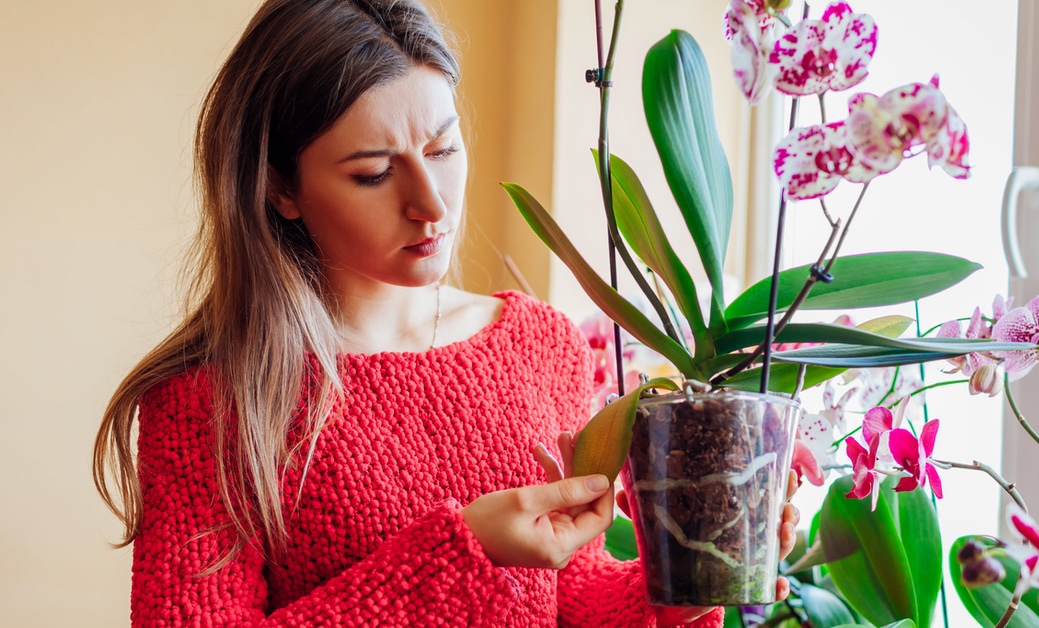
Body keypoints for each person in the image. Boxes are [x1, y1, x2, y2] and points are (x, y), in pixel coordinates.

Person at [93, 0, 800, 625]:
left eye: (444, 148)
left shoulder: (536, 344)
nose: (431, 204)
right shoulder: (208, 404)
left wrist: (694, 579)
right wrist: (461, 552)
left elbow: (571, 600)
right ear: (280, 187)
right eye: (373, 172)